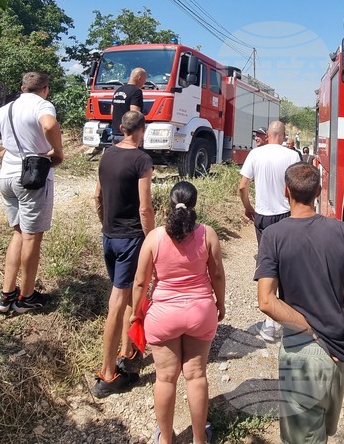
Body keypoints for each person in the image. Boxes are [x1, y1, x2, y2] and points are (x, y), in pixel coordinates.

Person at [255, 163, 344, 444]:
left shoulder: (274, 236)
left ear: (286, 191)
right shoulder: (340, 231)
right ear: (319, 191)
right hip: (341, 354)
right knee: (323, 430)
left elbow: (266, 301)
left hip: (302, 356)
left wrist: (307, 328)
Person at [133, 182, 225, 444]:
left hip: (163, 315)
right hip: (200, 311)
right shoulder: (208, 235)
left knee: (165, 378)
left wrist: (136, 313)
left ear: (169, 205)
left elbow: (140, 282)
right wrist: (221, 304)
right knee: (196, 376)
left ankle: (165, 439)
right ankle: (199, 439)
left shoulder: (154, 238)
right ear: (195, 206)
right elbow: (217, 273)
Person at [0, 71, 63, 314]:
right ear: (45, 89)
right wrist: (58, 152)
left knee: (19, 233)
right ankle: (27, 297)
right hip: (32, 178)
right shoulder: (43, 105)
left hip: (7, 176)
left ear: (22, 88)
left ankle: (6, 294)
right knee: (32, 237)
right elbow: (49, 124)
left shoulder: (7, 109)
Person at [92, 110, 155, 397]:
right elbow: (145, 207)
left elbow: (97, 195)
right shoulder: (142, 159)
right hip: (131, 238)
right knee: (118, 303)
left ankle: (128, 351)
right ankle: (107, 373)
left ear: (121, 128)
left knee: (129, 295)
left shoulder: (107, 154)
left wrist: (105, 221)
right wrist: (152, 236)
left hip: (109, 236)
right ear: (142, 129)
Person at [237, 120, 298, 342]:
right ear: (282, 136)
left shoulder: (255, 154)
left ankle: (271, 325)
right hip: (286, 215)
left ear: (269, 135)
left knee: (268, 265)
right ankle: (290, 323)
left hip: (263, 216)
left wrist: (248, 207)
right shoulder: (292, 156)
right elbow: (296, 186)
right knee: (288, 266)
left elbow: (243, 186)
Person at [111, 67, 147, 141]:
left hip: (115, 133)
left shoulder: (118, 90)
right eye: (144, 79)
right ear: (139, 78)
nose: (145, 82)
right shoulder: (136, 91)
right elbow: (134, 114)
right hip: (128, 135)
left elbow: (112, 111)